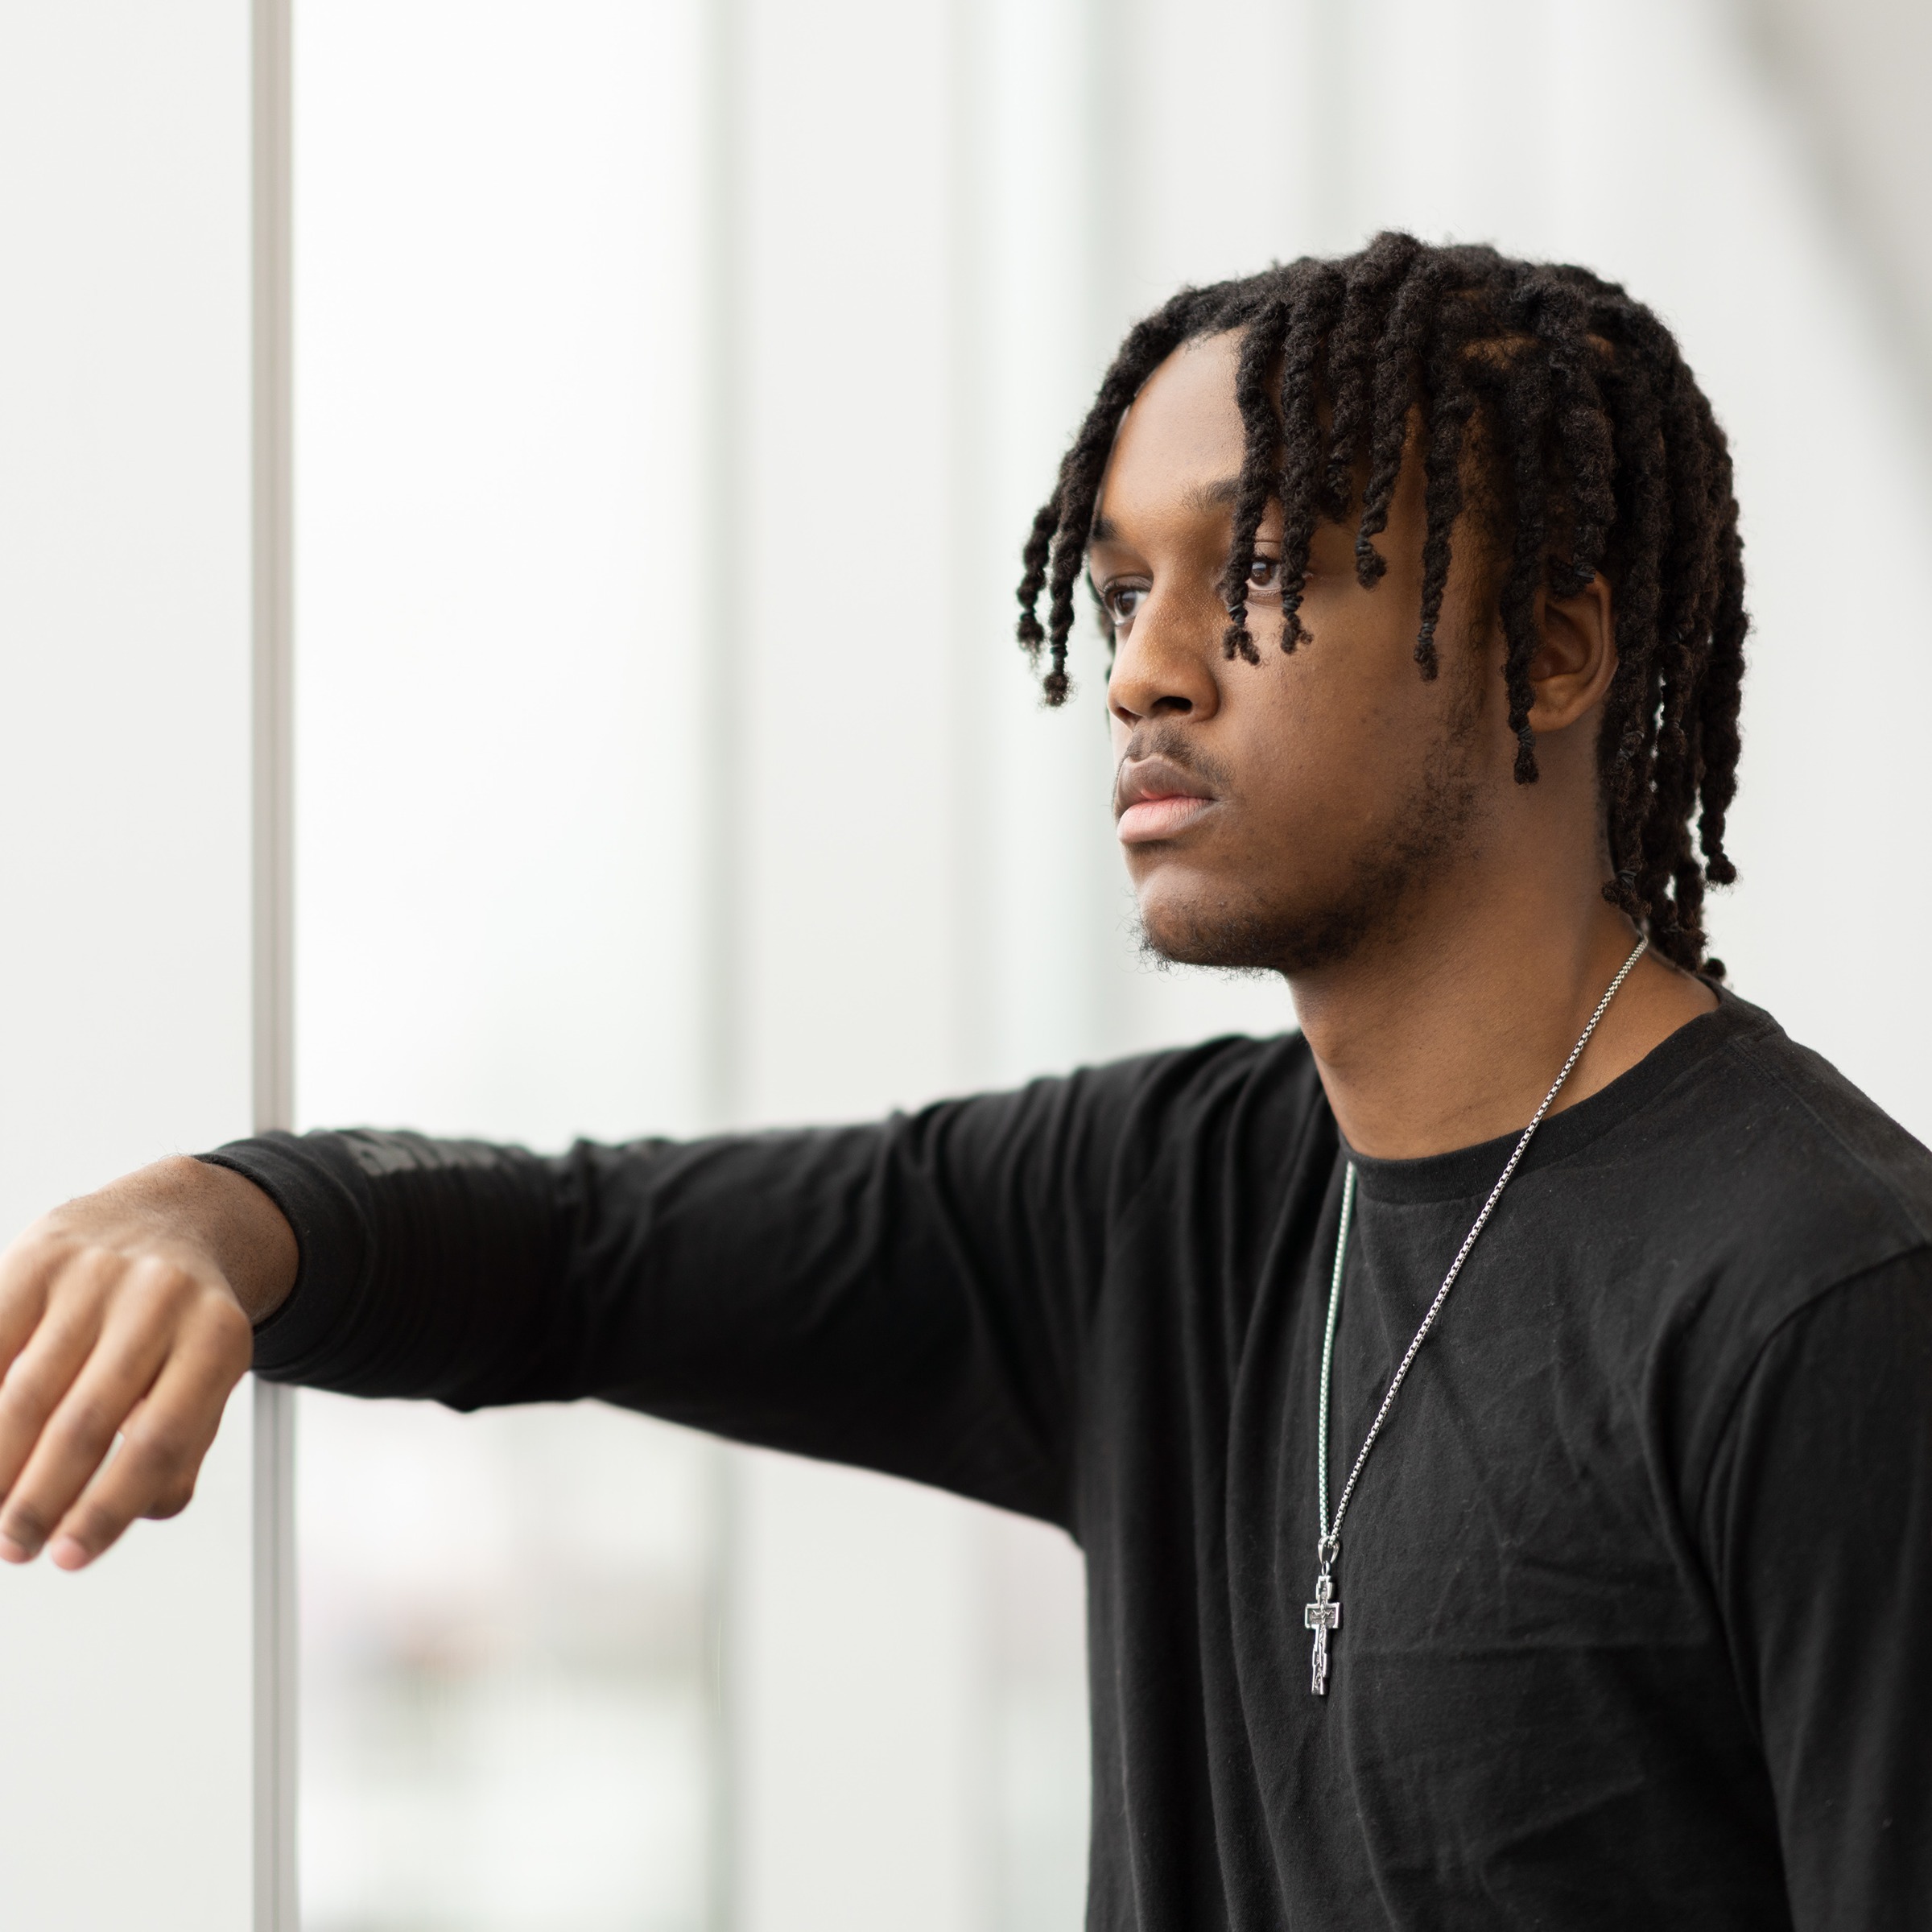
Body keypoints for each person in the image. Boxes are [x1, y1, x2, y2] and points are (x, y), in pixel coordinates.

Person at [0, 233, 1925, 1930]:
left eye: (1251, 566)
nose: (1145, 674)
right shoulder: (1158, 1206)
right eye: (1115, 595)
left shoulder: (1829, 1304)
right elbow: (571, 1251)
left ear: (1553, 650)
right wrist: (210, 1218)